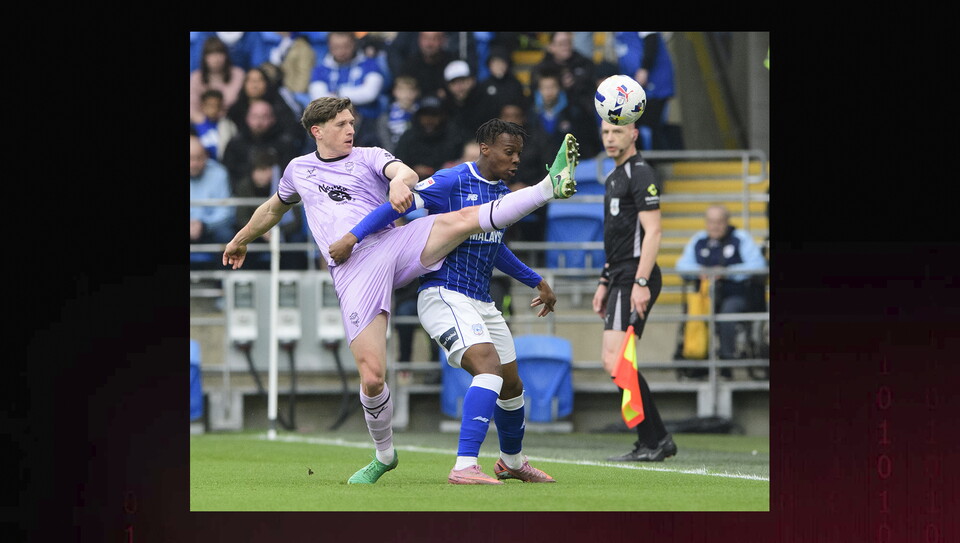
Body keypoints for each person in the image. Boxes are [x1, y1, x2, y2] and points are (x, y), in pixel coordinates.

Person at [222, 96, 579, 484]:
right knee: (373, 377)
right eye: (341, 124)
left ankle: (547, 188)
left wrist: (396, 183)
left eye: (352, 122)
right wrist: (240, 239)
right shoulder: (298, 170)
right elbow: (273, 208)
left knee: (460, 220)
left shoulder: (369, 156)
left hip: (391, 241)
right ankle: (385, 454)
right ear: (317, 131)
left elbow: (405, 173)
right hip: (354, 268)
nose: (350, 130)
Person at [341, 118, 558, 484]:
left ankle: (511, 461)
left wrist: (535, 281)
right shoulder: (451, 180)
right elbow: (397, 205)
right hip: (444, 293)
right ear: (485, 149)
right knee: (488, 368)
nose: (516, 160)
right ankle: (464, 466)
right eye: (509, 152)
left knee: (511, 385)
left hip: (481, 300)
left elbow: (493, 247)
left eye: (519, 154)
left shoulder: (500, 191)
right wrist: (353, 236)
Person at [591, 120, 677, 462]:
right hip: (619, 275)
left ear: (634, 134)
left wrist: (641, 282)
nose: (610, 138)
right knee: (614, 361)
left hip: (634, 276)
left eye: (617, 132)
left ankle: (652, 441)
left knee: (616, 360)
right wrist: (604, 280)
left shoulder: (641, 173)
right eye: (606, 132)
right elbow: (617, 237)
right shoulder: (614, 176)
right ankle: (658, 439)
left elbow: (653, 232)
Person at [674, 204, 768, 362]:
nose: (715, 226)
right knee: (695, 310)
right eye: (711, 222)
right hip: (705, 296)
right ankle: (695, 358)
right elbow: (681, 266)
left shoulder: (740, 238)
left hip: (736, 295)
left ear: (727, 221)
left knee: (727, 312)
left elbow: (758, 265)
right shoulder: (699, 239)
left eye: (719, 222)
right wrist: (701, 271)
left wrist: (727, 272)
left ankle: (726, 360)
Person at [232, 147, 307, 270]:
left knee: (296, 240)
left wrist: (275, 231)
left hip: (283, 232)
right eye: (257, 170)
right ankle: (245, 276)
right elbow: (241, 218)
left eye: (264, 170)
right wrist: (261, 231)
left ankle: (292, 275)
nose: (260, 175)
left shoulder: (286, 186)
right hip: (256, 232)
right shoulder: (244, 186)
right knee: (243, 242)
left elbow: (295, 221)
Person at [308, 31, 387, 147]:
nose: (341, 51)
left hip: (367, 121)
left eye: (346, 46)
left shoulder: (370, 64)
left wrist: (338, 93)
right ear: (329, 46)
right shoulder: (320, 70)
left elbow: (370, 93)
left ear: (354, 44)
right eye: (336, 47)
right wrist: (349, 101)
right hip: (331, 119)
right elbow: (318, 97)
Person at [221, 98, 303, 192]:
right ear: (247, 118)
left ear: (273, 119)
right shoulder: (236, 144)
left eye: (264, 117)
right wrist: (251, 175)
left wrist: (274, 174)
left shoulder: (285, 144)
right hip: (242, 195)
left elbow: (293, 173)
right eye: (255, 116)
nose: (259, 122)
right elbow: (228, 172)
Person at [613, 32, 676, 150]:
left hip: (653, 85)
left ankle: (656, 157)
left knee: (651, 127)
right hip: (633, 86)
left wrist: (644, 68)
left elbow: (651, 39)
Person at [190, 132, 235, 269]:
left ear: (206, 156)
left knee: (227, 236)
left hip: (210, 228)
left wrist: (203, 225)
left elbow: (226, 212)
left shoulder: (219, 173)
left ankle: (224, 280)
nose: (194, 163)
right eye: (190, 158)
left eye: (198, 158)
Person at [393, 95, 460, 181]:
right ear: (418, 116)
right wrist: (412, 170)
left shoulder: (452, 136)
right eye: (425, 115)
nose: (429, 119)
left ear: (442, 117)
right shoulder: (408, 136)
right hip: (412, 182)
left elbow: (456, 164)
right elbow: (398, 164)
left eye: (434, 115)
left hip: (445, 182)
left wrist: (432, 170)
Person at [190, 35, 246, 126]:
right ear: (204, 58)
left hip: (233, 123)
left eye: (220, 53)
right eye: (211, 54)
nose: (216, 58)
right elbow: (191, 108)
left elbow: (244, 105)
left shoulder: (239, 75)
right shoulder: (195, 77)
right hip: (202, 125)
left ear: (226, 56)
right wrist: (206, 125)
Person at [392, 32, 457, 101]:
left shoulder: (452, 64)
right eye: (425, 39)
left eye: (434, 39)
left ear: (443, 40)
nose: (429, 44)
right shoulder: (409, 65)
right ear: (419, 40)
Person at [440, 60, 488, 150]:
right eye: (454, 82)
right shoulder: (443, 107)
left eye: (462, 81)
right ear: (448, 86)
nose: (459, 87)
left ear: (472, 81)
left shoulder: (486, 103)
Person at [375, 74, 421, 154]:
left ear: (417, 92)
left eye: (410, 91)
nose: (407, 95)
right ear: (395, 92)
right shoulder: (386, 116)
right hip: (394, 155)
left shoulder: (422, 114)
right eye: (403, 90)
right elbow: (385, 142)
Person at [192, 89, 239, 161]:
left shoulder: (228, 126)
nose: (213, 109)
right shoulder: (195, 127)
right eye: (210, 105)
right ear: (202, 106)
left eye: (217, 105)